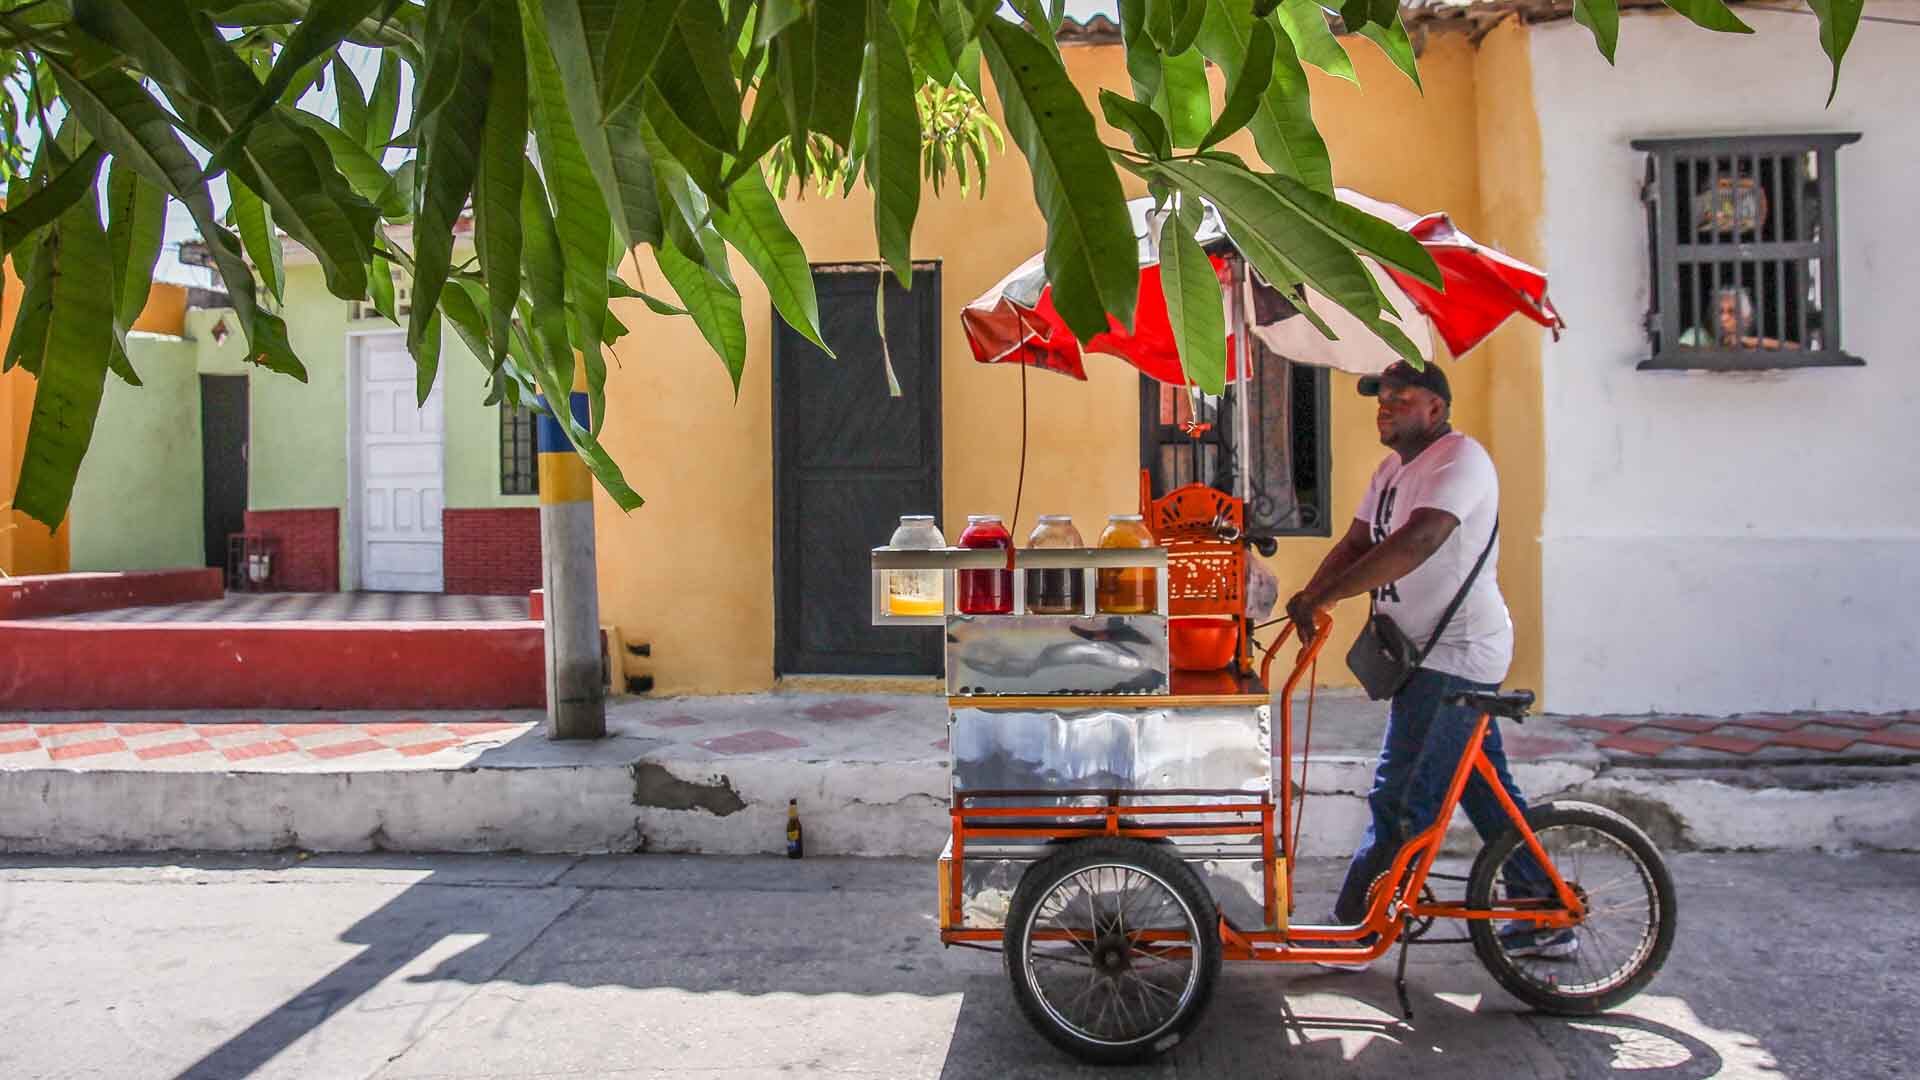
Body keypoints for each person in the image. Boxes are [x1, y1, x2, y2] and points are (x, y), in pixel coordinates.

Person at [1284, 361, 1569, 970]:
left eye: (1400, 398)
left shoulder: (1459, 461)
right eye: (1381, 399)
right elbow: (1358, 542)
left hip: (1456, 655)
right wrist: (1310, 595)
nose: (1384, 407)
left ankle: (1357, 926)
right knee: (1480, 788)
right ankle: (1543, 907)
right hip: (1418, 654)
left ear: (1435, 409)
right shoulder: (1391, 469)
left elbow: (1418, 541)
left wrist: (1327, 597)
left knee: (1405, 795)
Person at [1679, 286, 1800, 350]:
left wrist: (1747, 341)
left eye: (1732, 312)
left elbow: (1798, 350)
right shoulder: (1698, 334)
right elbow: (1679, 351)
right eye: (1719, 312)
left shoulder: (1751, 341)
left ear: (1746, 319)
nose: (1724, 318)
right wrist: (1724, 351)